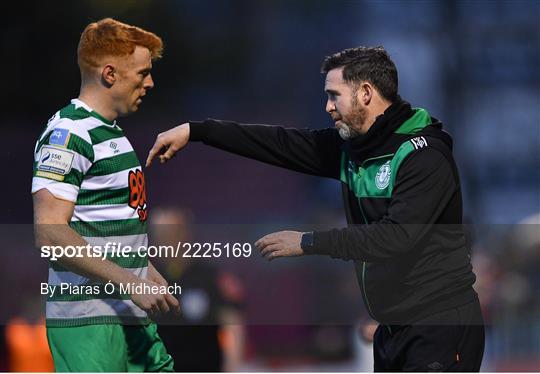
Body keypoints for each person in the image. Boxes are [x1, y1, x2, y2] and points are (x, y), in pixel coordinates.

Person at [146, 46, 485, 371]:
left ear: (366, 93)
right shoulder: (351, 149)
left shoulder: (423, 156)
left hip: (440, 324)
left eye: (334, 94)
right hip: (395, 328)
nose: (327, 106)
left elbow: (395, 237)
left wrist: (308, 242)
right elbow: (277, 143)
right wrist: (199, 131)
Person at [32, 18, 179, 372]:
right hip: (89, 321)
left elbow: (102, 222)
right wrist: (130, 280)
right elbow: (49, 232)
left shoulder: (108, 132)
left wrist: (142, 268)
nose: (150, 82)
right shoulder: (68, 133)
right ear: (110, 74)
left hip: (126, 313)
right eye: (142, 73)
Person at [149, 207, 246, 372]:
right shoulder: (148, 280)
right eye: (159, 232)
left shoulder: (211, 278)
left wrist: (231, 367)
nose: (164, 238)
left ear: (185, 233)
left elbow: (232, 326)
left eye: (170, 231)